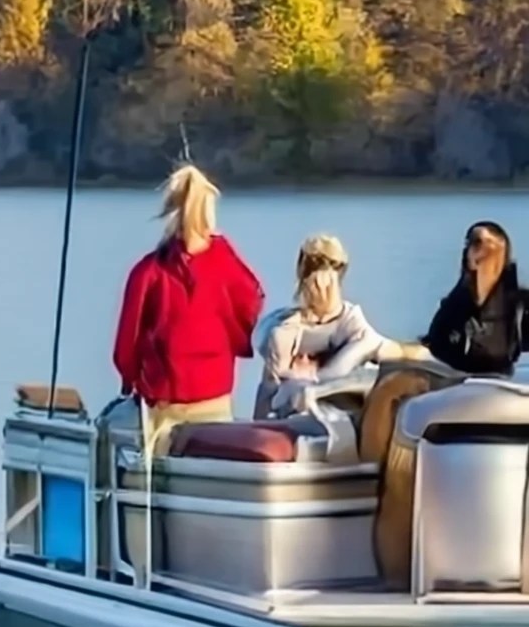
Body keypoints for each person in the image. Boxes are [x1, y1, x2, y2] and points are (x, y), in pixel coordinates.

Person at [113, 162, 265, 456]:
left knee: (154, 480)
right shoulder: (226, 262)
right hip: (215, 401)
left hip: (164, 406)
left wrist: (129, 381)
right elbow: (251, 306)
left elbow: (125, 346)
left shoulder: (147, 272)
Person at [254, 234, 428, 419]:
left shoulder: (351, 322)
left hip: (338, 418)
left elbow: (392, 350)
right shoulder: (285, 332)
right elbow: (269, 392)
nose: (322, 288)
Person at [422, 220, 529, 375]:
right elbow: (434, 347)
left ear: (500, 252)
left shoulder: (520, 306)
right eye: (468, 243)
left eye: (478, 243)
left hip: (500, 386)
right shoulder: (453, 305)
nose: (469, 249)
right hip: (454, 384)